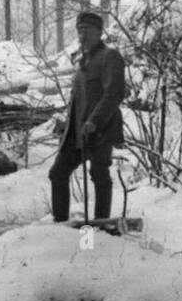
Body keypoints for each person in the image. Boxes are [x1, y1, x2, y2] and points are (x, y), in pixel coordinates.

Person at [48, 11, 126, 221]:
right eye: (80, 31)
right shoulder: (83, 62)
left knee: (99, 175)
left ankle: (101, 223)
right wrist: (67, 124)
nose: (83, 35)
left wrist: (94, 121)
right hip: (77, 133)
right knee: (57, 173)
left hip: (100, 130)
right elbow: (79, 100)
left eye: (88, 30)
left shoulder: (110, 57)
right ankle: (60, 224)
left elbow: (114, 93)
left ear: (100, 32)